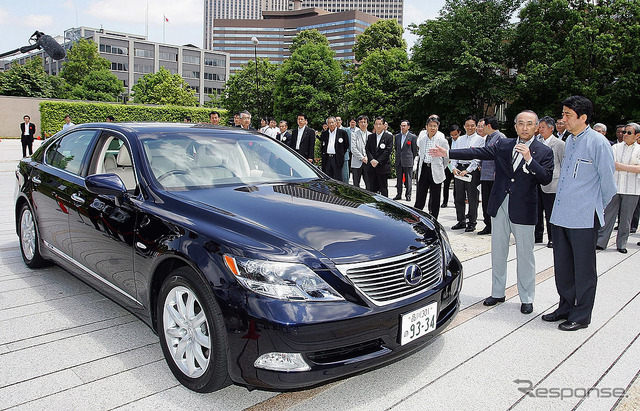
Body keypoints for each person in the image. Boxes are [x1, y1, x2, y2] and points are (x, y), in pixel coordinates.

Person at [431, 110, 554, 314]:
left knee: (525, 254)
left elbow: (546, 178)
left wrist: (529, 159)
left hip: (524, 208)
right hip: (500, 204)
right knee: (498, 251)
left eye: (529, 124)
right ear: (515, 126)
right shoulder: (504, 144)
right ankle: (498, 292)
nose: (524, 127)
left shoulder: (543, 151)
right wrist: (448, 153)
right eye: (520, 123)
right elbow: (479, 153)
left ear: (536, 127)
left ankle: (527, 297)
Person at [543, 96, 616, 331]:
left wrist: (594, 208)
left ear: (582, 118)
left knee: (583, 268)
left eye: (567, 115)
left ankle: (581, 314)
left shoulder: (598, 142)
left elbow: (609, 185)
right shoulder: (570, 140)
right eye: (562, 114)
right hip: (561, 213)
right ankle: (565, 306)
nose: (563, 119)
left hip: (584, 216)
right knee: (563, 265)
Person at [596, 122, 640, 253]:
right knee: (608, 215)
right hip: (614, 187)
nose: (625, 135)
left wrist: (621, 166)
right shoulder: (615, 147)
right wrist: (629, 168)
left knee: (626, 218)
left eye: (629, 133)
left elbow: (638, 169)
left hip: (632, 189)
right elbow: (611, 164)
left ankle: (622, 244)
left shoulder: (639, 150)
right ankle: (601, 242)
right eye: (624, 132)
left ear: (637, 135)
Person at [535, 116, 565, 248]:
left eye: (543, 127)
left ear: (551, 128)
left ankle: (553, 238)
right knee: (536, 211)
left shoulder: (559, 144)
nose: (540, 130)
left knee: (550, 212)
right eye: (539, 127)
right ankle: (537, 235)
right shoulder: (536, 141)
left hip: (552, 182)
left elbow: (563, 164)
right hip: (537, 181)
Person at [451, 115, 484, 232]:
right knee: (458, 196)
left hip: (472, 171)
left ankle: (472, 222)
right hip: (459, 169)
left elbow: (478, 158)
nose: (470, 128)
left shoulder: (480, 140)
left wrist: (468, 170)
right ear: (464, 126)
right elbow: (454, 154)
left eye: (472, 125)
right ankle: (461, 220)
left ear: (476, 126)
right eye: (467, 125)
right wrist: (453, 168)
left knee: (472, 198)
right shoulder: (460, 139)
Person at [413, 116, 449, 218]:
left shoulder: (442, 140)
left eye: (435, 126)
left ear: (437, 127)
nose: (432, 128)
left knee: (435, 197)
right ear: (426, 127)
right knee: (420, 195)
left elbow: (446, 157)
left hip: (436, 169)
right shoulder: (422, 139)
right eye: (430, 126)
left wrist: (441, 167)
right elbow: (421, 154)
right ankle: (417, 216)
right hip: (424, 168)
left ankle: (434, 218)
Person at [477, 116, 506, 235]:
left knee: (495, 202)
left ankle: (496, 226)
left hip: (494, 176)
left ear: (488, 126)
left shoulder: (501, 137)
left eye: (483, 126)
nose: (482, 128)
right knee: (486, 202)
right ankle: (488, 224)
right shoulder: (488, 138)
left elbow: (503, 157)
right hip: (485, 175)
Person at [365, 116, 393, 197]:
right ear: (374, 125)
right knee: (372, 189)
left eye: (380, 124)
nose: (378, 126)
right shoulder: (370, 137)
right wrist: (372, 160)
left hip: (382, 167)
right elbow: (367, 149)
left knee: (383, 189)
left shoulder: (389, 137)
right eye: (376, 124)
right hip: (372, 167)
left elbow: (388, 151)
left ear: (384, 125)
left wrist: (378, 161)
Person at [393, 120, 418, 201]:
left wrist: (411, 158)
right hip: (399, 160)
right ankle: (398, 194)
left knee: (408, 178)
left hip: (408, 160)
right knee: (399, 179)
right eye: (401, 126)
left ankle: (408, 195)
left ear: (408, 127)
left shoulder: (412, 137)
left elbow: (414, 150)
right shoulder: (397, 136)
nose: (403, 127)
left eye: (404, 126)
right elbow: (396, 148)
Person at [441, 125, 460, 207]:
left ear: (459, 133)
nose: (454, 137)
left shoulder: (462, 141)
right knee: (446, 184)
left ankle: (456, 201)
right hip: (448, 164)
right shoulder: (447, 141)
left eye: (455, 135)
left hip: (457, 165)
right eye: (452, 135)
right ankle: (445, 201)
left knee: (457, 185)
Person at [351, 115, 369, 189]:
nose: (363, 124)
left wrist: (367, 157)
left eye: (364, 122)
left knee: (369, 183)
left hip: (368, 162)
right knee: (356, 184)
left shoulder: (371, 135)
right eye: (361, 122)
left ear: (367, 124)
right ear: (358, 124)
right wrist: (362, 158)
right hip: (357, 162)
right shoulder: (354, 134)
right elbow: (353, 148)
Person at [336, 116, 351, 183]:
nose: (337, 121)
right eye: (336, 120)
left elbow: (349, 143)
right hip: (335, 156)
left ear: (341, 121)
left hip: (344, 156)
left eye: (339, 120)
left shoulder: (346, 130)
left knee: (345, 176)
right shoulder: (333, 130)